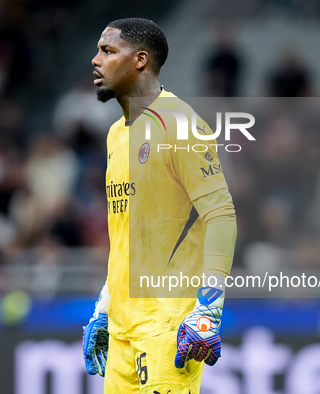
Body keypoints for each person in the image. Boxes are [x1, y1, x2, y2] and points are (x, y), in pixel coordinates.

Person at [82, 18, 237, 393]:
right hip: (122, 330)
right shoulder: (117, 134)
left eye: (107, 51)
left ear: (139, 61)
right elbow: (129, 235)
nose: (95, 60)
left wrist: (208, 310)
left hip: (169, 329)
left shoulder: (180, 125)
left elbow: (221, 216)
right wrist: (105, 305)